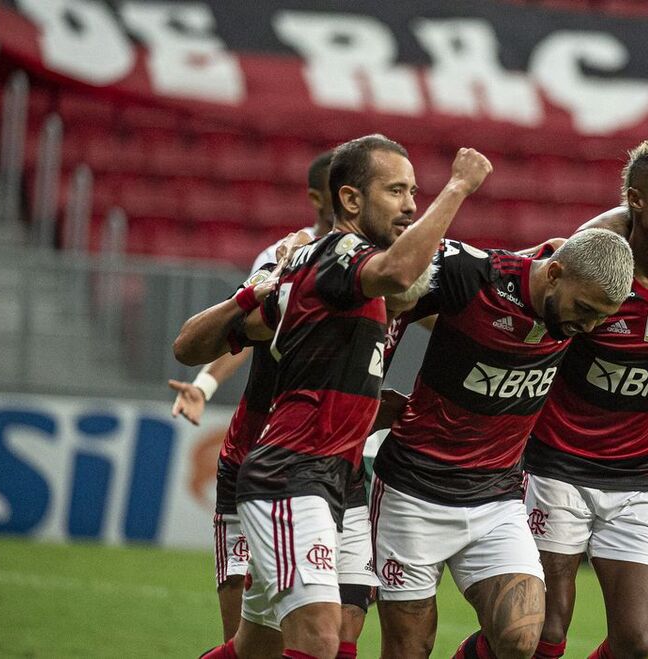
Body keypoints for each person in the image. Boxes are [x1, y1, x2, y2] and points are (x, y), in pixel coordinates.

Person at [179, 134, 492, 659]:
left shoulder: (346, 283)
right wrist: (458, 188)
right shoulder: (340, 255)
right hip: (288, 472)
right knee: (318, 639)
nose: (412, 205)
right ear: (350, 200)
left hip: (339, 479)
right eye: (397, 191)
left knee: (281, 642)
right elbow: (191, 345)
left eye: (416, 192)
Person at [369, 229, 635, 659]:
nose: (587, 326)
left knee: (520, 638)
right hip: (413, 492)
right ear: (553, 274)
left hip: (497, 497)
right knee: (408, 649)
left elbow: (632, 220)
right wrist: (364, 392)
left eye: (599, 318)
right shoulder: (472, 276)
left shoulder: (572, 295)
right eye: (584, 309)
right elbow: (389, 286)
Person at [520, 136, 648, 659]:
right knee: (547, 630)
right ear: (637, 200)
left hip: (638, 476)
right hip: (557, 465)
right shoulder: (599, 275)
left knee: (635, 641)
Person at [168, 152, 350, 646]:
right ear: (331, 197)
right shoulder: (284, 256)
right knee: (249, 642)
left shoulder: (386, 266)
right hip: (264, 456)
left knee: (330, 636)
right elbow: (245, 332)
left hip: (334, 466)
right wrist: (206, 384)